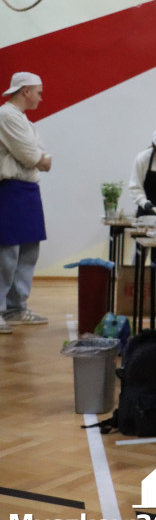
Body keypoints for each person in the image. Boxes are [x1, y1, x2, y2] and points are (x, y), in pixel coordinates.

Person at [0, 72, 51, 334]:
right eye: (39, 92)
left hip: (28, 190)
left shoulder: (24, 121)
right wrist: (40, 157)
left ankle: (16, 308)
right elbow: (34, 156)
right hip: (10, 189)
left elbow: (41, 154)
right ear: (26, 91)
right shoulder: (7, 115)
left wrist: (40, 157)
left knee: (28, 252)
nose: (41, 98)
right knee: (6, 254)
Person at [126, 127, 156, 217]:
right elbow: (135, 186)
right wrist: (144, 203)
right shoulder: (143, 158)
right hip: (145, 211)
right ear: (154, 145)